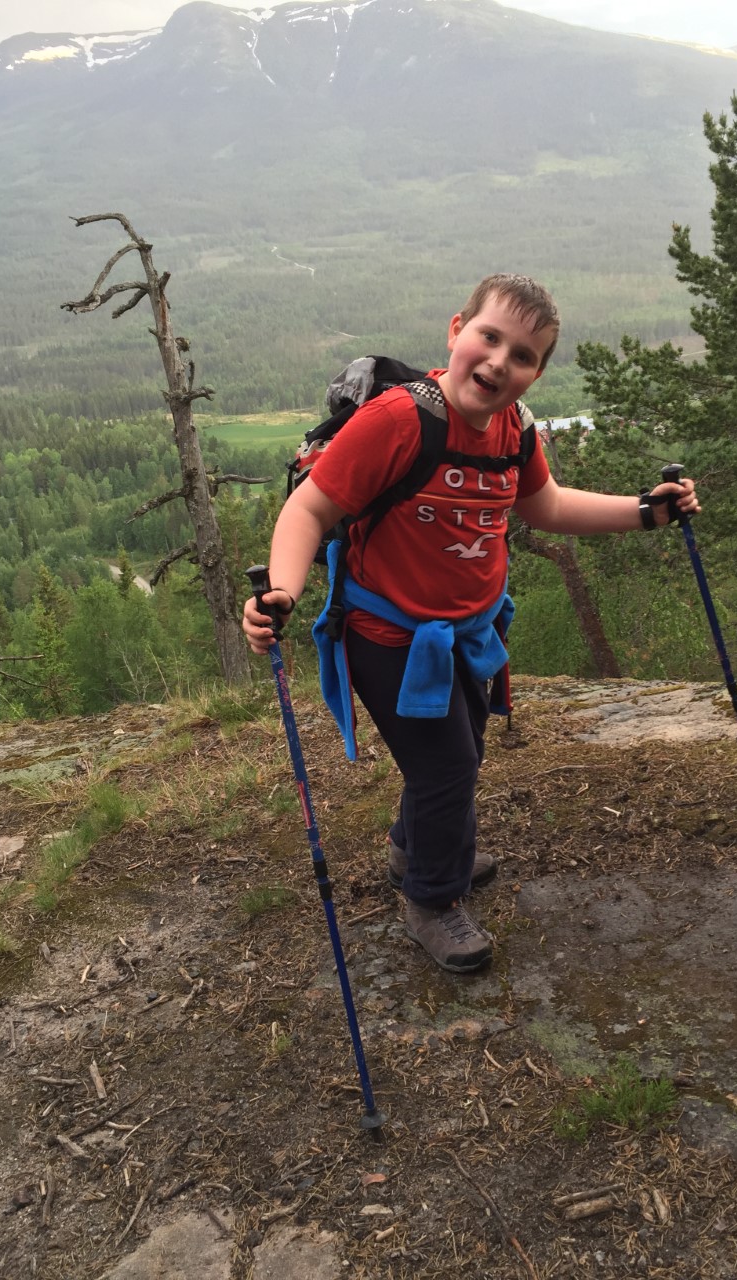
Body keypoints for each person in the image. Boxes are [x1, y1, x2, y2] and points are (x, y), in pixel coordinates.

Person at [242, 274, 700, 975]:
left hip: (471, 632)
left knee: (456, 759)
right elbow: (309, 509)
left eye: (523, 355)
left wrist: (647, 511)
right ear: (457, 331)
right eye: (490, 337)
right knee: (449, 766)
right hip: (390, 638)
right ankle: (431, 898)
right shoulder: (399, 422)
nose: (498, 362)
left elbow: (544, 506)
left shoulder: (514, 431)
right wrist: (280, 591)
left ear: (537, 372)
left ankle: (415, 848)